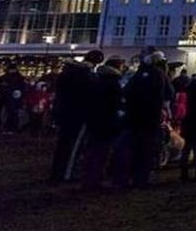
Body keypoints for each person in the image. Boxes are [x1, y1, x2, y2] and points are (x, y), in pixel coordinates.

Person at [121, 51, 174, 188]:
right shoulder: (159, 74)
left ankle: (126, 177)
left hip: (133, 116)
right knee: (148, 149)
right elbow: (169, 93)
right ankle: (142, 178)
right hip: (151, 116)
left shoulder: (137, 74)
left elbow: (126, 91)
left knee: (132, 147)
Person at [49, 50, 104, 183]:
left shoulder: (68, 73)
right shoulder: (85, 75)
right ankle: (66, 174)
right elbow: (91, 94)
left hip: (65, 112)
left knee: (63, 144)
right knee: (73, 145)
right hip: (78, 114)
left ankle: (57, 171)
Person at [82, 57, 125, 190]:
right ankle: (94, 180)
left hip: (94, 120)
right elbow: (116, 103)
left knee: (93, 151)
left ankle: (89, 179)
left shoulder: (97, 79)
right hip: (107, 121)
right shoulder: (113, 82)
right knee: (101, 152)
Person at [0, 63, 27, 134]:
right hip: (9, 98)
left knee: (10, 113)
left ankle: (8, 128)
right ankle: (9, 128)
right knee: (10, 113)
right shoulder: (19, 78)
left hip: (9, 98)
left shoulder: (6, 78)